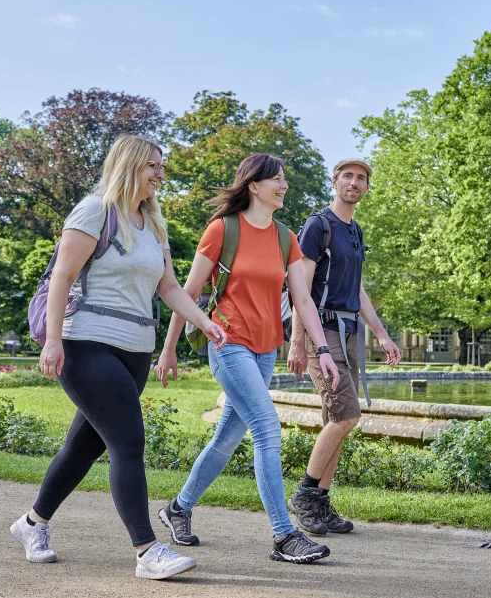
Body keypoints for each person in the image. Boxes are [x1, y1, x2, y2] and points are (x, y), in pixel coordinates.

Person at [10, 134, 227, 581]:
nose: (161, 174)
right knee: (128, 442)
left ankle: (32, 524)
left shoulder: (154, 223)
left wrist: (202, 322)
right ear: (129, 165)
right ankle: (147, 550)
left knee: (84, 446)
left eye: (161, 166)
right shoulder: (95, 211)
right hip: (86, 342)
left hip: (135, 350)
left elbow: (168, 287)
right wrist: (53, 340)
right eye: (153, 166)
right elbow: (62, 276)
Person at [156, 153, 340, 564]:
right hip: (227, 343)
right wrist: (168, 349)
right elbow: (185, 293)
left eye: (285, 178)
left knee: (227, 439)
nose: (284, 185)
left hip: (264, 350)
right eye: (276, 179)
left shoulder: (284, 237)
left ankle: (178, 508)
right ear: (253, 185)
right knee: (267, 428)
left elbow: (302, 298)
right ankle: (284, 535)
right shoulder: (223, 229)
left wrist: (322, 349)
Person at [286, 159, 401, 535]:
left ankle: (320, 502)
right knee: (346, 416)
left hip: (350, 334)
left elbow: (358, 290)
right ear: (334, 182)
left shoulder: (355, 232)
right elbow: (299, 287)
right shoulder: (318, 226)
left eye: (362, 178)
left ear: (367, 188)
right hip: (323, 332)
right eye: (348, 176)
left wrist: (381, 334)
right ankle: (305, 495)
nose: (354, 182)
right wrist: (298, 343)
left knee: (337, 419)